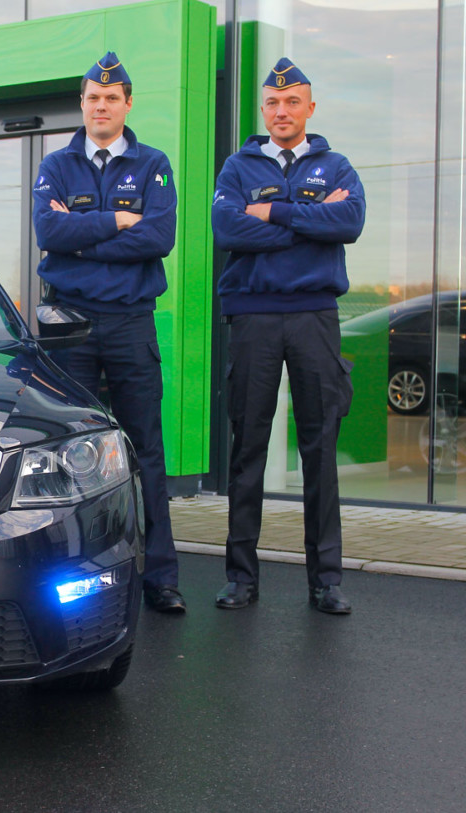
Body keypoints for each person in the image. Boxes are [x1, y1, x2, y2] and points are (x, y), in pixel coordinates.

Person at [211, 58, 365, 614]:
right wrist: (308, 221)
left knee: (319, 448)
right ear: (263, 109)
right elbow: (227, 228)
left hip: (314, 317)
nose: (282, 111)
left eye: (292, 102)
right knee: (248, 445)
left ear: (309, 108)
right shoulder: (237, 167)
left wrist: (270, 212)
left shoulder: (336, 166)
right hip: (253, 317)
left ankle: (326, 581)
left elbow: (350, 223)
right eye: (274, 103)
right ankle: (241, 577)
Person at [33, 52, 185, 613]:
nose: (102, 106)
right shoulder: (57, 164)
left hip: (129, 323)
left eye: (111, 98)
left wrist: (79, 236)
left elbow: (158, 238)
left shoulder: (153, 164)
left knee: (146, 449)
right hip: (70, 328)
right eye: (93, 98)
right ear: (82, 104)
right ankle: (75, 580)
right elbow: (47, 231)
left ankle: (161, 578)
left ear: (127, 104)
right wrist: (117, 220)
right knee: (68, 453)